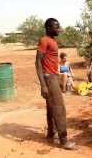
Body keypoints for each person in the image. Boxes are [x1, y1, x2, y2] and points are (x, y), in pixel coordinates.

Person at [35, 18, 75, 150]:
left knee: (51, 107)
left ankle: (51, 132)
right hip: (49, 78)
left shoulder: (53, 41)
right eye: (56, 27)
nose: (59, 29)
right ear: (48, 28)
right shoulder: (44, 40)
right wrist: (43, 85)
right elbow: (38, 63)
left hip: (54, 76)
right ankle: (64, 140)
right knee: (59, 108)